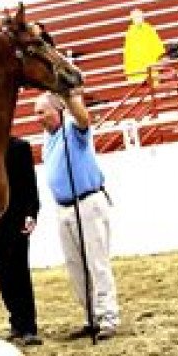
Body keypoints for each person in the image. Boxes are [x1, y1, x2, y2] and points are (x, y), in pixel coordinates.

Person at [35, 90, 120, 340]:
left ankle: (108, 317)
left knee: (97, 263)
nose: (38, 118)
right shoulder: (47, 138)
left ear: (56, 110)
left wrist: (69, 96)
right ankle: (91, 316)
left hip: (87, 203)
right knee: (76, 266)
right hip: (63, 208)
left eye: (42, 112)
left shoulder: (73, 130)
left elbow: (84, 120)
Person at [0, 136, 42, 346]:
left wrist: (32, 213)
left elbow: (30, 186)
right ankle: (16, 321)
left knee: (19, 270)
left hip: (16, 219)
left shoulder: (19, 148)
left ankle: (28, 325)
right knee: (1, 270)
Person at [123, 9, 165, 83]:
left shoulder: (149, 30)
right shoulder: (130, 33)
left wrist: (160, 60)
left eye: (139, 17)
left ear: (142, 17)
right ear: (132, 19)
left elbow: (157, 46)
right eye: (135, 18)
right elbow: (128, 53)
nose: (137, 19)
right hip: (137, 68)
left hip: (150, 64)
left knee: (151, 87)